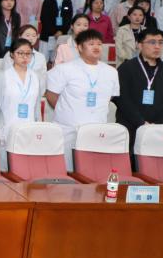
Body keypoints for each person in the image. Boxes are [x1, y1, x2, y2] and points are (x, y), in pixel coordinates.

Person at [46, 29, 120, 169]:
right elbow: (51, 95)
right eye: (91, 44)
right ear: (79, 47)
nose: (96, 47)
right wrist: (67, 112)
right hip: (69, 129)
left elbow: (109, 97)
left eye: (99, 44)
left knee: (91, 171)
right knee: (66, 169)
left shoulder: (111, 72)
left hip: (96, 130)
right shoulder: (64, 69)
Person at [115, 27, 163, 168]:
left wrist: (159, 124)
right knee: (129, 167)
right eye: (152, 42)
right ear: (139, 45)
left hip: (158, 129)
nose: (157, 46)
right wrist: (141, 122)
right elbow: (121, 99)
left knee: (155, 169)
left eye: (160, 42)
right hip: (130, 127)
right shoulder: (126, 68)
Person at [0, 38, 43, 146]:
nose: (25, 57)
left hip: (30, 129)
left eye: (28, 53)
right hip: (6, 129)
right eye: (20, 53)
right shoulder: (1, 77)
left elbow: (37, 107)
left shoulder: (36, 77)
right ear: (11, 54)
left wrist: (39, 128)